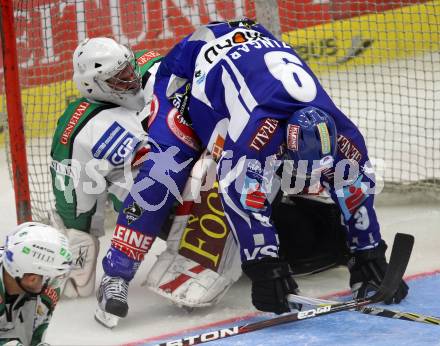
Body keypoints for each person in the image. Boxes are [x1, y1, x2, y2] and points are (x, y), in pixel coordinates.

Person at [96, 18, 409, 323]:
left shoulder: (343, 133)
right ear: (284, 142)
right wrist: (265, 266)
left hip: (248, 42)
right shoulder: (256, 132)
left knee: (305, 184)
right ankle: (116, 275)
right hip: (188, 68)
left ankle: (333, 242)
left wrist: (369, 251)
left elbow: (355, 188)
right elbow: (241, 197)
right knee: (163, 171)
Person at [50, 37, 161, 298]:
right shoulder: (78, 130)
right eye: (118, 77)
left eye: (129, 68)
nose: (132, 78)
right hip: (158, 202)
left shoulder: (157, 66)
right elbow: (74, 198)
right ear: (93, 85)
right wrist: (80, 243)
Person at [0, 222, 72, 346]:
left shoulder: (47, 293)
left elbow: (36, 337)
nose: (55, 283)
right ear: (32, 279)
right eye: (52, 277)